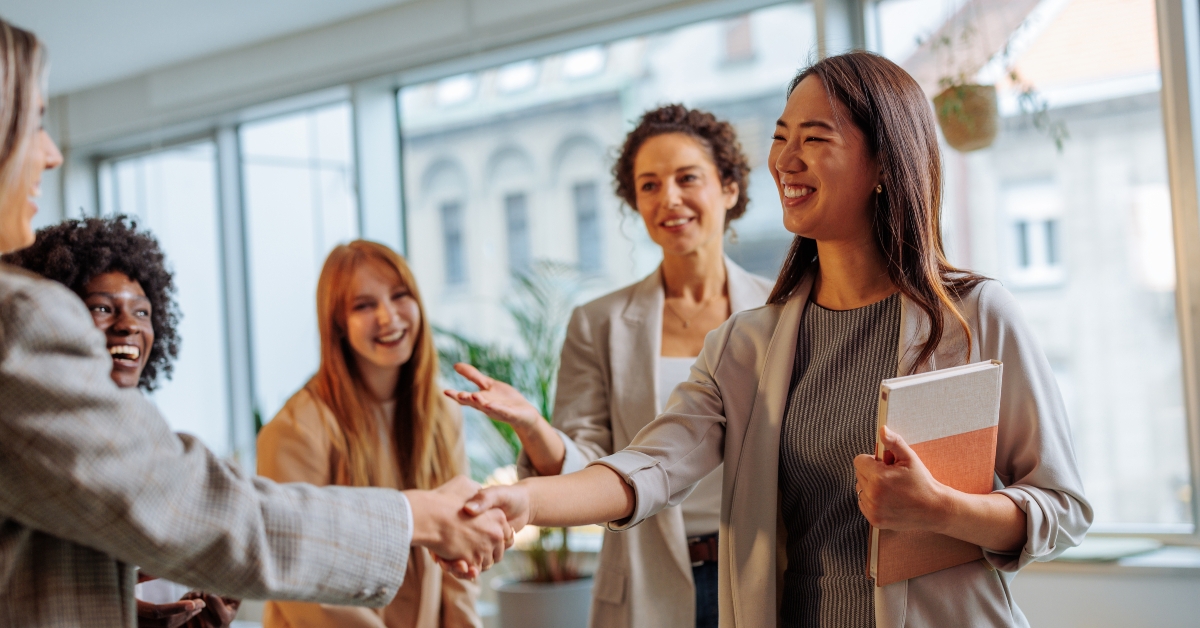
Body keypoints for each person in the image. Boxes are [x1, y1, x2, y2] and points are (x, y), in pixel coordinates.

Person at [464, 51, 1093, 627]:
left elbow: (1062, 506)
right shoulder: (746, 343)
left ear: (884, 161)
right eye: (779, 138)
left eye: (814, 138)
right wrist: (522, 500)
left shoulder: (973, 316)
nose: (785, 161)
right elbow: (647, 466)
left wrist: (942, 510)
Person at [0, 18, 510, 628]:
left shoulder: (438, 411)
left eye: (399, 296)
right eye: (34, 122)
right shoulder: (18, 319)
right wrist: (416, 517)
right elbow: (181, 502)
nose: (53, 154)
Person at [446, 104, 772, 628]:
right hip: (646, 580)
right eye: (649, 185)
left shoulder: (781, 310)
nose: (669, 198)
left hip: (763, 573)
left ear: (728, 188)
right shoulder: (598, 323)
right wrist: (533, 427)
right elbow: (589, 466)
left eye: (687, 177)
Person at [3, 215, 240, 628]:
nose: (129, 325)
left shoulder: (158, 446)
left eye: (142, 312)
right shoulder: (24, 434)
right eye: (102, 307)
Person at [257, 240, 480, 628]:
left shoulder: (442, 412)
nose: (389, 317)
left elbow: (460, 558)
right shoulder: (297, 429)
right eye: (364, 305)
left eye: (399, 296)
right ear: (338, 324)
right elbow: (296, 576)